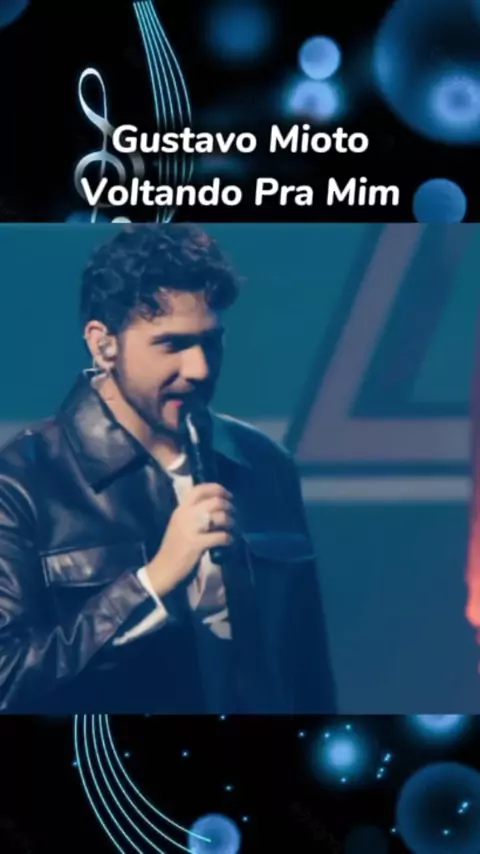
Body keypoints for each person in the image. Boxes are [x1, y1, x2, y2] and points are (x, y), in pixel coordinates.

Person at [0, 223, 336, 713]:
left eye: (210, 342)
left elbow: (305, 665)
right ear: (103, 344)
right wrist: (150, 584)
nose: (199, 368)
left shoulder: (263, 463)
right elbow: (7, 676)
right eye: (172, 345)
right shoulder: (22, 483)